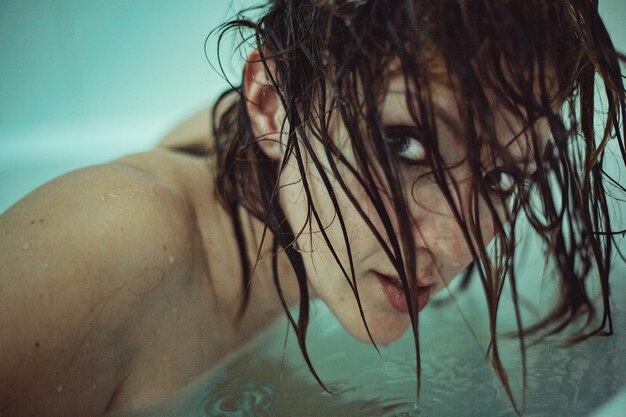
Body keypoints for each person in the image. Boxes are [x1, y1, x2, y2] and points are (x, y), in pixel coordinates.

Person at [1, 0, 624, 415]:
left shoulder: (264, 169)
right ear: (269, 104)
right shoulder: (103, 246)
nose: (455, 245)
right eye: (403, 143)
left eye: (501, 179)